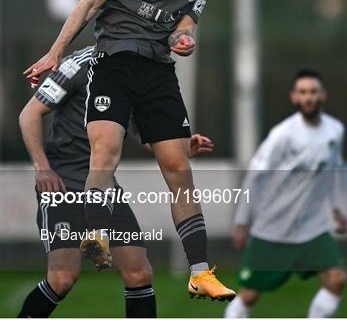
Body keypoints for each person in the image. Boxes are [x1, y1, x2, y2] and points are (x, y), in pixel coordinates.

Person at [23, 0, 235, 301]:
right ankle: (98, 235)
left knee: (179, 169)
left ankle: (200, 272)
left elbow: (185, 23)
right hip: (114, 64)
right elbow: (87, 5)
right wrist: (54, 53)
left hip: (158, 72)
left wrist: (183, 38)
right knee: (106, 151)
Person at [17, 45, 215, 318]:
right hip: (64, 184)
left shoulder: (141, 71)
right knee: (62, 279)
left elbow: (136, 129)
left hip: (103, 186)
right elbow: (29, 114)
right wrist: (42, 169)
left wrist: (177, 147)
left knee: (139, 273)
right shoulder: (78, 66)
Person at [225, 70, 347, 319]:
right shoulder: (283, 134)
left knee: (337, 279)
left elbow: (331, 172)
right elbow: (254, 174)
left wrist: (336, 209)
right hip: (274, 227)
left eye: (313, 92)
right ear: (294, 97)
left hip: (311, 228)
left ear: (323, 95)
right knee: (249, 294)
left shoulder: (335, 130)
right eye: (303, 93)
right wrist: (241, 221)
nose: (309, 97)